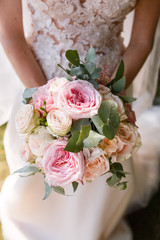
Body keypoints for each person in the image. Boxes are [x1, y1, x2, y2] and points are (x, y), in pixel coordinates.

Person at [0, 0, 160, 239]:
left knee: (96, 189)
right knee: (31, 187)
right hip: (36, 83)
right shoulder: (41, 99)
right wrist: (47, 103)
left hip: (110, 91)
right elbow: (11, 34)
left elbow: (141, 41)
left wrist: (108, 101)